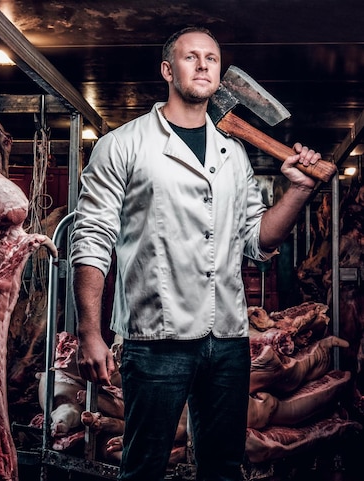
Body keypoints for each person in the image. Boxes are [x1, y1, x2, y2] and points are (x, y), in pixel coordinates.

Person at [69, 26, 322, 481]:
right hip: (154, 342)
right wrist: (90, 331)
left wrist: (299, 190)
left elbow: (258, 242)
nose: (203, 64)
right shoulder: (124, 144)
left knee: (223, 468)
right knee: (144, 467)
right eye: (191, 57)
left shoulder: (234, 153)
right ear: (168, 70)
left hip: (227, 338)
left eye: (211, 58)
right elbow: (91, 237)